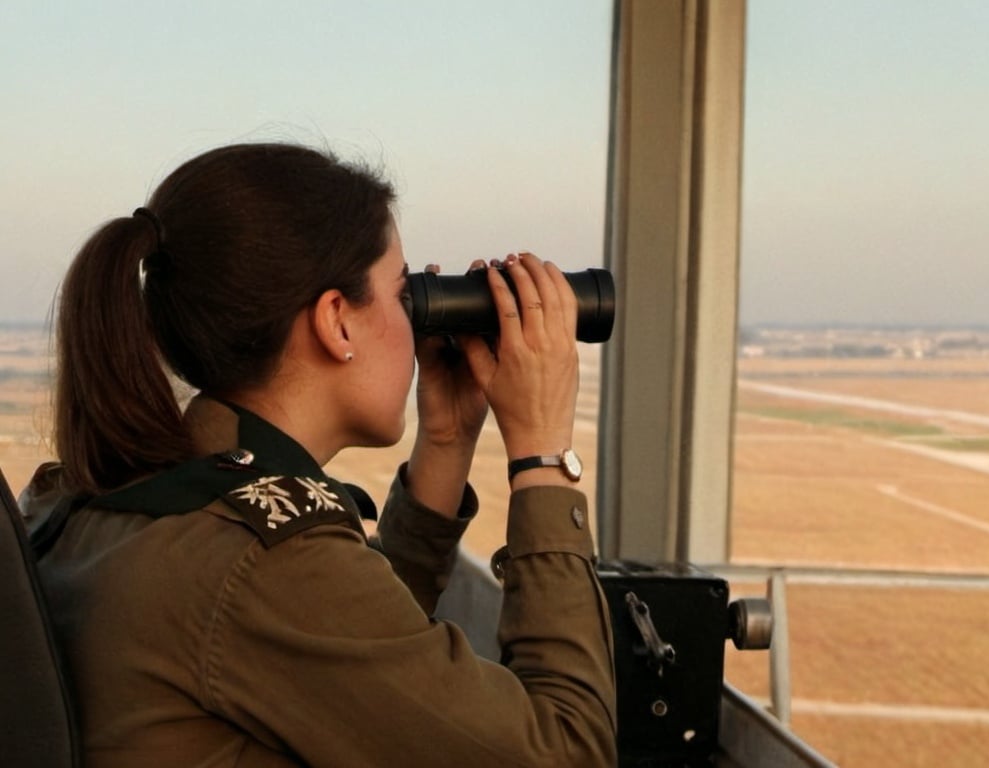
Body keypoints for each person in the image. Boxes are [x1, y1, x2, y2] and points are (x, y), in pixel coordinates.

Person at [21, 142, 616, 767]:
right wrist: (543, 455)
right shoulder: (260, 562)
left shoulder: (122, 497)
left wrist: (446, 441)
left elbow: (359, 667)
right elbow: (567, 751)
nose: (415, 323)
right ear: (336, 320)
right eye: (400, 293)